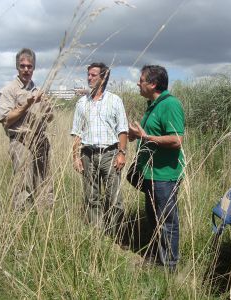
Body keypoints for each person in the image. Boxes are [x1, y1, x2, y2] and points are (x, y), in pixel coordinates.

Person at [128, 65, 185, 271]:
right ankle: (156, 258)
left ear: (152, 84)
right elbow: (149, 134)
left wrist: (146, 137)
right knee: (153, 218)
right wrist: (135, 134)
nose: (138, 83)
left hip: (165, 175)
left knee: (167, 221)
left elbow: (177, 139)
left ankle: (169, 265)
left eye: (141, 79)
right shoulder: (152, 105)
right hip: (151, 173)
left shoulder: (170, 104)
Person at [71, 62, 128, 237]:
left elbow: (122, 129)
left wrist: (121, 153)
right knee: (91, 197)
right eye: (88, 74)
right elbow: (77, 132)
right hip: (88, 154)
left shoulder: (115, 100)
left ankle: (114, 235)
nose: (89, 78)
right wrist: (76, 157)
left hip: (110, 154)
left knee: (114, 198)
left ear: (103, 78)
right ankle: (98, 234)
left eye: (93, 75)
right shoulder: (82, 103)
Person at [0, 48, 54, 210]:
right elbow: (6, 120)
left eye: (29, 66)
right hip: (21, 141)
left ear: (34, 68)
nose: (26, 69)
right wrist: (27, 105)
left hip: (41, 141)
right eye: (23, 66)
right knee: (23, 183)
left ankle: (46, 215)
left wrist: (48, 109)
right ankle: (23, 219)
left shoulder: (37, 90)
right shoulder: (8, 91)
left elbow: (49, 118)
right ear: (17, 67)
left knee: (45, 180)